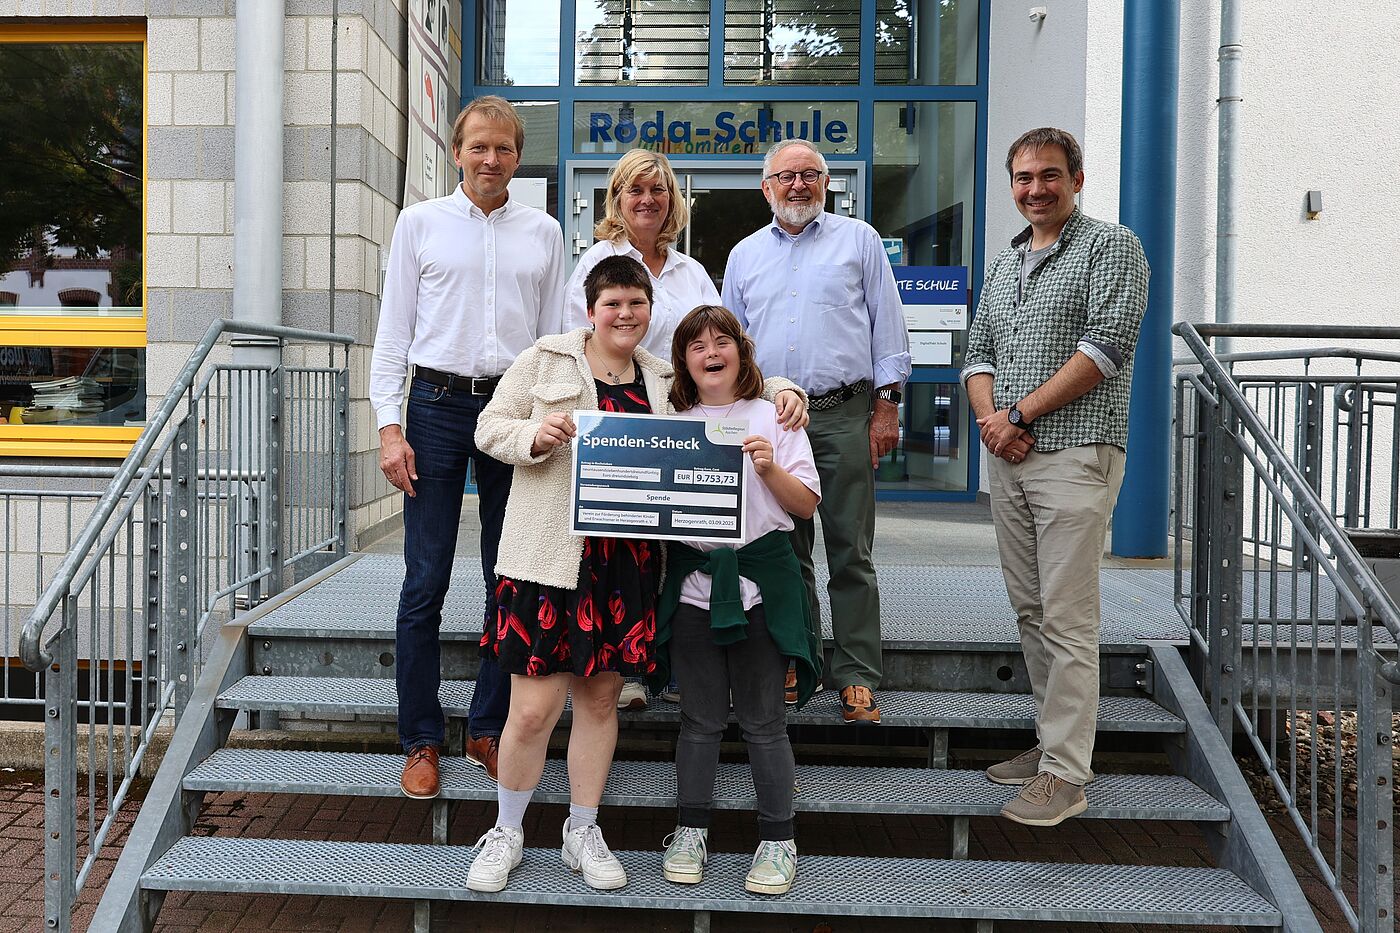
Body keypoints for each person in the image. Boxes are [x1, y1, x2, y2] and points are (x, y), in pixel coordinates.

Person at [370, 95, 566, 799]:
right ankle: (420, 737)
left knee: (507, 575)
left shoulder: (544, 232)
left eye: (503, 148)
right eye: (478, 146)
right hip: (435, 408)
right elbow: (393, 333)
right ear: (456, 152)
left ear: (518, 157)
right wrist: (389, 427)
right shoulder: (419, 224)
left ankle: (487, 727)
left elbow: (553, 339)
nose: (491, 159)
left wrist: (550, 422)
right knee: (425, 579)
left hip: (513, 411)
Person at [962, 127, 1148, 827]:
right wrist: (994, 423)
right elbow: (978, 352)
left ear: (1076, 178)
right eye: (1023, 177)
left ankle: (1067, 774)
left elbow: (1106, 347)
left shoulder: (1111, 247)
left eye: (1049, 175)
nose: (1035, 189)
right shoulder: (1006, 263)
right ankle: (1051, 744)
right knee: (1031, 610)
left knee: (1068, 617)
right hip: (1008, 457)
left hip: (1074, 453)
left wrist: (1018, 414)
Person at [722, 138, 910, 725]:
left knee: (851, 550)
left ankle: (856, 674)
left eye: (810, 174)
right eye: (786, 176)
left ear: (827, 183)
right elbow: (730, 345)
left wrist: (886, 407)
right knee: (786, 550)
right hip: (773, 420)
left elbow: (888, 329)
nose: (798, 185)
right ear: (766, 188)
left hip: (844, 413)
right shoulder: (744, 255)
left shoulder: (860, 240)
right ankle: (797, 660)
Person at [649, 305, 822, 897]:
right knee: (698, 721)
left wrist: (769, 468)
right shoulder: (670, 422)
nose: (711, 353)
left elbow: (805, 505)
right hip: (695, 590)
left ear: (741, 352)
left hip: (760, 589)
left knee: (764, 721)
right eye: (697, 345)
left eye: (722, 341)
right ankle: (690, 830)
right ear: (683, 361)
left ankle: (778, 840)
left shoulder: (775, 415)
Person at [564, 148, 721, 360]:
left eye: (657, 190)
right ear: (618, 199)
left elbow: (718, 338)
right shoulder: (597, 261)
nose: (647, 199)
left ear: (671, 199)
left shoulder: (691, 271)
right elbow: (574, 346)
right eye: (636, 190)